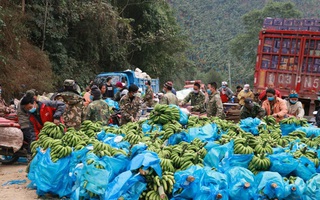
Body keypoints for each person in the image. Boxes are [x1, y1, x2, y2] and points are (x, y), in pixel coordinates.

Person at [17, 89, 37, 159]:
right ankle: (29, 154)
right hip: (25, 123)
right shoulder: (25, 102)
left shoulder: (25, 100)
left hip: (27, 122)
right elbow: (29, 110)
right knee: (31, 138)